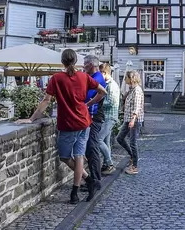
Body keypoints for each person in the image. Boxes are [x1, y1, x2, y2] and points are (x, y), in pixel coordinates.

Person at [16, 49, 106, 204]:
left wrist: (31, 119)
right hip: (84, 122)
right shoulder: (84, 77)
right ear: (76, 61)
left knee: (65, 157)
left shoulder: (57, 78)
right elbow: (103, 91)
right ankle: (76, 192)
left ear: (63, 62)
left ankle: (89, 181)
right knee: (79, 157)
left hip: (68, 123)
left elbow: (46, 101)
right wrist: (89, 103)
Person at [83, 55, 107, 192]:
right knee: (90, 148)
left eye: (85, 64)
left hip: (94, 117)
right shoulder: (95, 77)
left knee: (92, 148)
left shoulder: (96, 78)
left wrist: (87, 104)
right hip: (93, 117)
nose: (83, 66)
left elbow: (86, 96)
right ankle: (94, 179)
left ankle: (96, 181)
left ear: (91, 65)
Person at [117, 70, 144, 175]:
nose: (124, 79)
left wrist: (133, 120)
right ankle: (132, 156)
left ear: (131, 78)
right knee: (119, 138)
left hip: (134, 120)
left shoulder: (137, 90)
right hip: (127, 119)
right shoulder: (131, 90)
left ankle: (135, 166)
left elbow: (137, 107)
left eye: (126, 78)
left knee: (133, 143)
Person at [97, 63, 120, 175]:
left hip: (109, 117)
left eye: (100, 73)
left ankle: (110, 164)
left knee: (98, 140)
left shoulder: (111, 85)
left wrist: (97, 101)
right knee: (106, 141)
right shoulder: (107, 84)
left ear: (104, 73)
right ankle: (106, 165)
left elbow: (110, 102)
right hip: (106, 117)